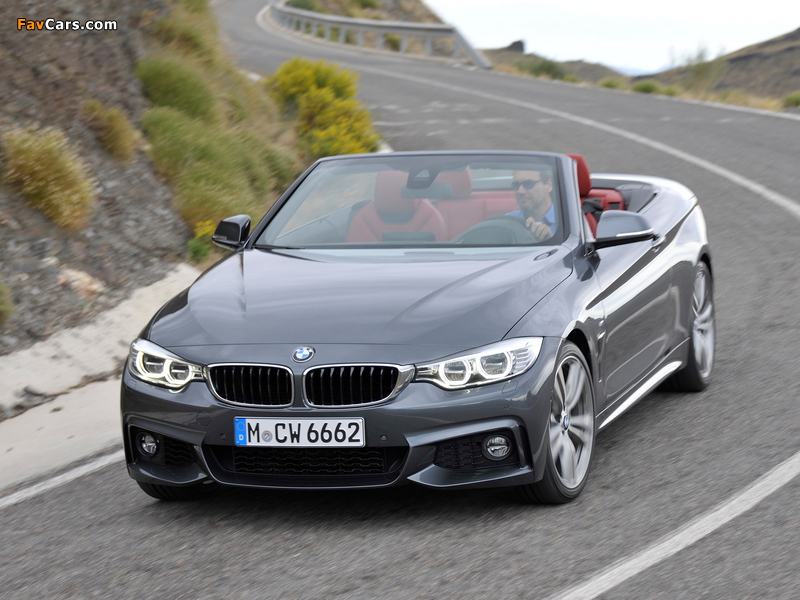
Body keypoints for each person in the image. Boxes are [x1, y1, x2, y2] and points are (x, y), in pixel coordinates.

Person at [507, 167, 556, 241]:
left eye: (528, 184)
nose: (520, 191)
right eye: (516, 185)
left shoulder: (568, 222)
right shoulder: (508, 222)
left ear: (548, 185)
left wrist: (551, 240)